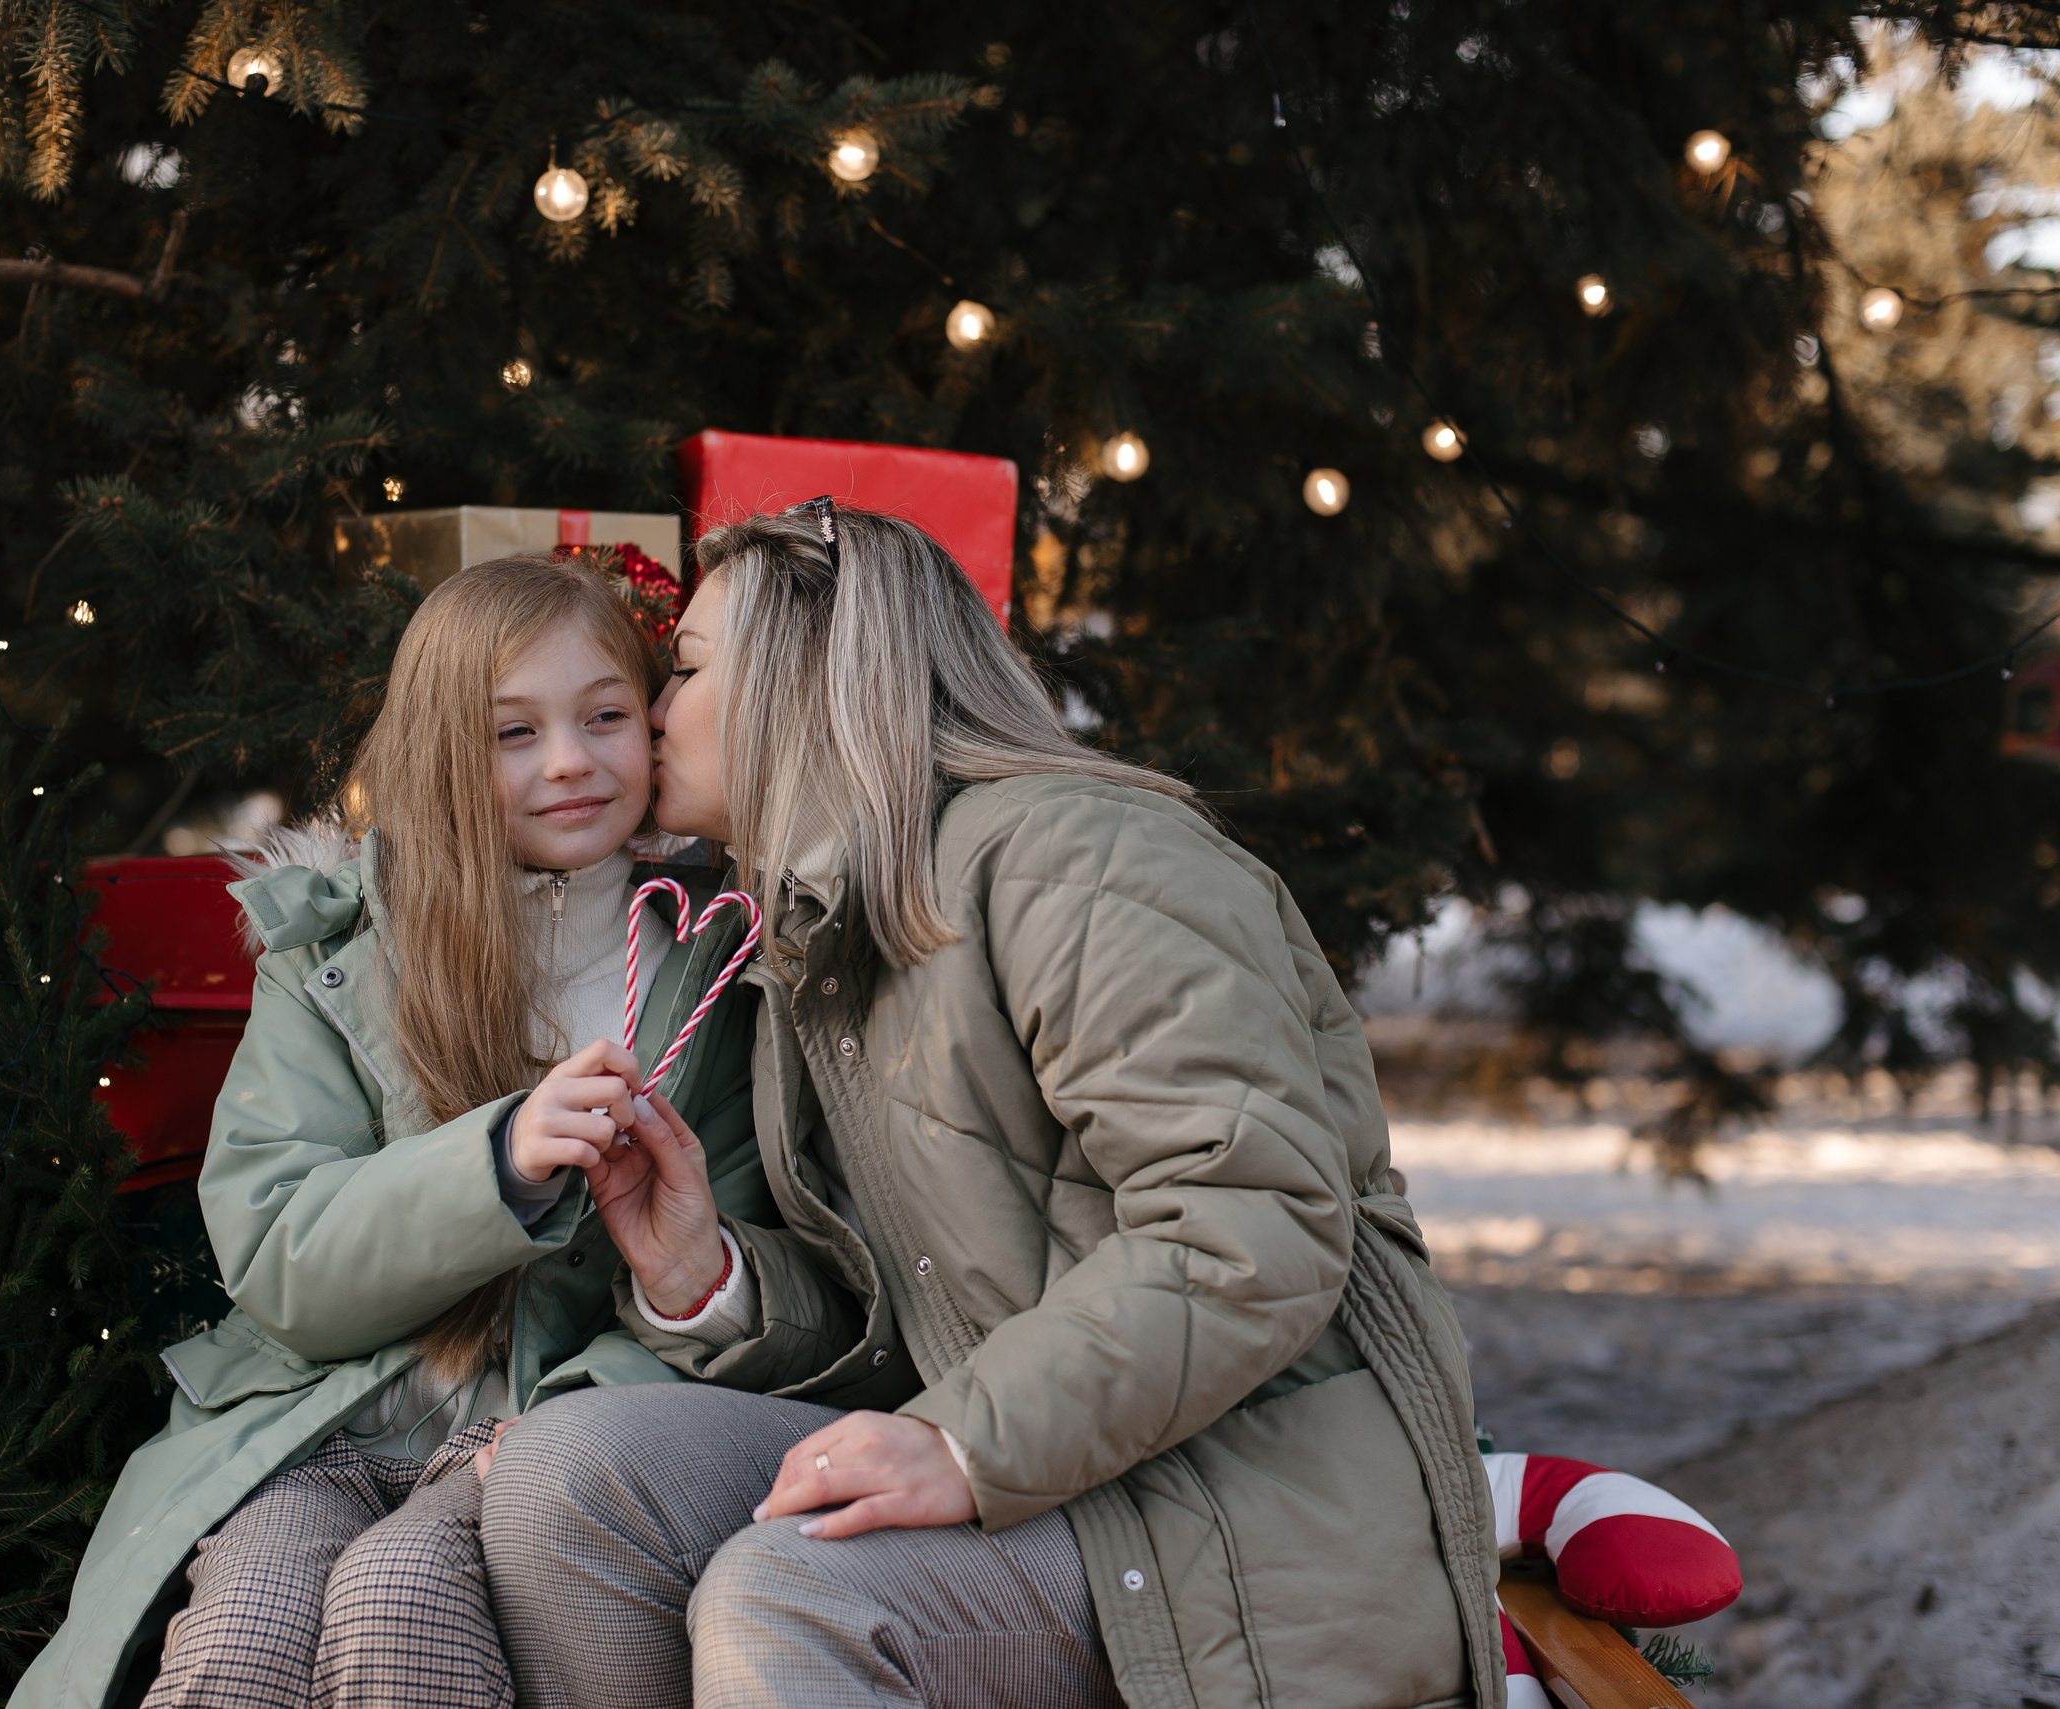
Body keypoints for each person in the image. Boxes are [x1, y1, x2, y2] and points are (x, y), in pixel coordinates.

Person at [478, 503, 1507, 1709]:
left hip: (1230, 1505)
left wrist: (961, 1440)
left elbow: (1250, 1229)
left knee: (793, 1590)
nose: (653, 711)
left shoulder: (1084, 860)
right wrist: (709, 1279)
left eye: (688, 669)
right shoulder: (823, 920)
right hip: (1050, 1461)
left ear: (807, 675)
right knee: (569, 1478)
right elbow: (924, 1313)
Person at [9, 554, 901, 1709]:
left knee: (402, 1604)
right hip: (321, 1423)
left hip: (530, 1447)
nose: (571, 760)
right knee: (241, 1628)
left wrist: (610, 1374)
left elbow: (762, 1253)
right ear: (441, 751)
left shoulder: (716, 967)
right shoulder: (341, 956)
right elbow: (283, 1256)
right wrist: (495, 1161)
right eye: (512, 733)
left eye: (606, 715)